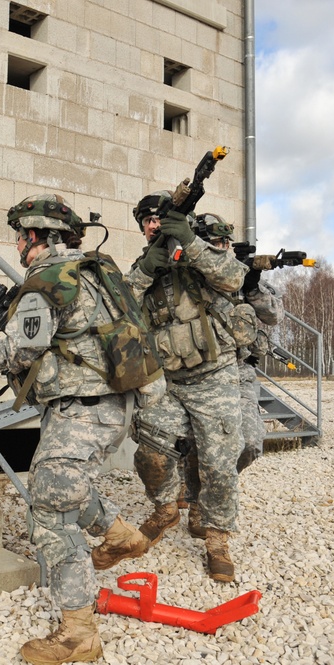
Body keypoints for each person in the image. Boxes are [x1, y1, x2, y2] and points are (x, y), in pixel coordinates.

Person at [0, 194, 165, 664]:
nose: (17, 244)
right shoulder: (98, 270)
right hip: (113, 407)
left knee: (50, 510)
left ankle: (78, 633)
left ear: (35, 236)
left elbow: (20, 352)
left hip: (81, 412)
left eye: (19, 236)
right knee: (65, 486)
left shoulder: (48, 281)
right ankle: (120, 536)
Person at [116, 192, 248, 583]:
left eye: (159, 219)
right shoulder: (144, 267)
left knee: (219, 465)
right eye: (147, 221)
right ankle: (167, 509)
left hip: (214, 376)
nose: (153, 225)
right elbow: (119, 309)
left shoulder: (200, 255)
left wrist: (190, 242)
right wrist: (144, 272)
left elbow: (234, 276)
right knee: (150, 457)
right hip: (168, 381)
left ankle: (217, 539)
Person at [178, 214, 284, 539]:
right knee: (199, 445)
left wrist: (251, 286)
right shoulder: (186, 278)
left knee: (250, 444)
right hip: (199, 373)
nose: (218, 248)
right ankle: (202, 506)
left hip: (239, 373)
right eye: (211, 242)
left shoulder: (241, 276)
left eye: (223, 242)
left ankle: (209, 492)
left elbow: (274, 316)